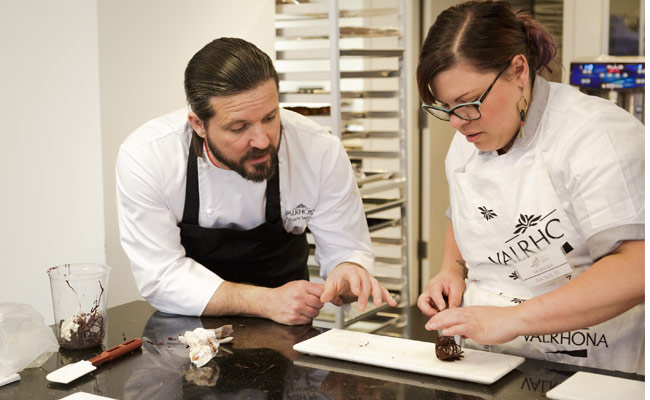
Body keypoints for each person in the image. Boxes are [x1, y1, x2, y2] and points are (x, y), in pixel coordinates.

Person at [416, 0, 644, 374]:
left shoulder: (597, 135)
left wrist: (513, 319)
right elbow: (464, 217)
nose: (457, 122)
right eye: (446, 107)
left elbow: (638, 267)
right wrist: (451, 271)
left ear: (518, 71)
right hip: (487, 359)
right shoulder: (467, 140)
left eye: (468, 102)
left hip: (591, 360)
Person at [116, 37, 396, 326]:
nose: (262, 140)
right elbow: (160, 275)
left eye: (271, 117)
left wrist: (349, 271)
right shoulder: (149, 157)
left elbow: (346, 249)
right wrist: (265, 301)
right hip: (186, 333)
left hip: (287, 331)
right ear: (198, 124)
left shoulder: (318, 150)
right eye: (239, 128)